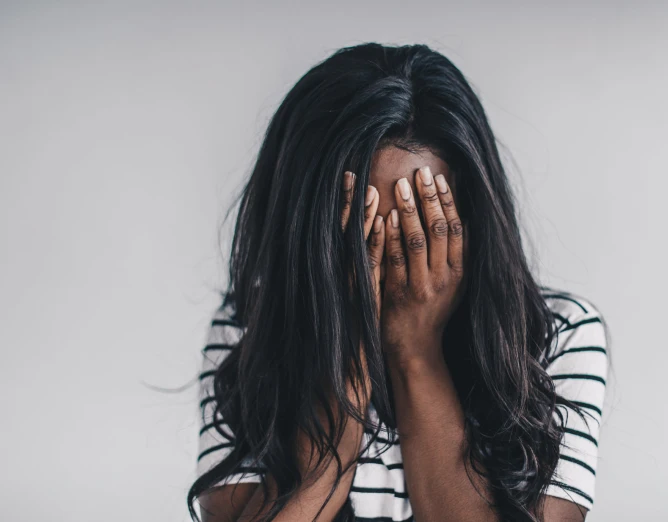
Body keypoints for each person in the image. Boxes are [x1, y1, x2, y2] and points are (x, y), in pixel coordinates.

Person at [187, 43, 609, 522]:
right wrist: (344, 363)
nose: (387, 268)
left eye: (417, 234)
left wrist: (416, 354)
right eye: (361, 235)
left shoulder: (558, 334)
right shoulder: (251, 330)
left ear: (468, 221)